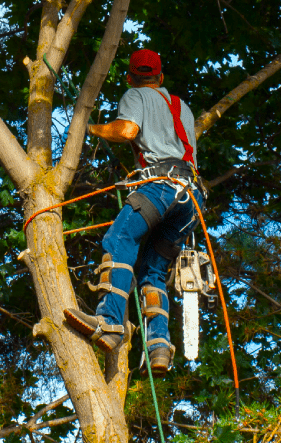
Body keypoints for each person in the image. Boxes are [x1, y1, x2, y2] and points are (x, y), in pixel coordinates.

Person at [63, 49, 203, 377]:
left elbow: (127, 131)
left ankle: (111, 324)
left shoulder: (134, 94)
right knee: (153, 272)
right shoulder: (183, 107)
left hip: (161, 186)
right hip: (192, 199)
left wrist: (93, 129)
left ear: (130, 77)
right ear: (161, 78)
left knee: (120, 238)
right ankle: (158, 348)